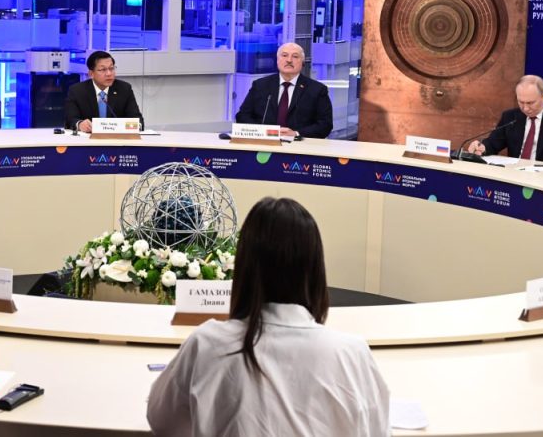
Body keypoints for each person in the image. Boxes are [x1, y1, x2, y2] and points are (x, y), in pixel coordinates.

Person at [147, 197, 389, 437]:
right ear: (315, 270)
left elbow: (163, 422)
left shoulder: (206, 344)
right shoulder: (352, 354)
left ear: (244, 267)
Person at [467, 74, 543, 167]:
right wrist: (482, 147)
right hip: (515, 177)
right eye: (521, 102)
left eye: (530, 103)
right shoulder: (510, 117)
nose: (525, 108)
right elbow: (493, 143)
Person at [234, 42, 333, 138]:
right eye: (284, 55)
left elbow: (325, 125)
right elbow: (242, 116)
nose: (289, 60)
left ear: (302, 63)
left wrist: (296, 133)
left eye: (295, 56)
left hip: (300, 145)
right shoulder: (260, 85)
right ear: (277, 60)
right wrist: (265, 132)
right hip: (265, 142)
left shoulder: (317, 90)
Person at [64, 50, 143, 132]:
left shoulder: (124, 89)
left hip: (117, 138)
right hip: (88, 138)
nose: (109, 73)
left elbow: (138, 120)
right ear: (91, 74)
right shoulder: (77, 91)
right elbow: (70, 119)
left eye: (111, 68)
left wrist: (129, 126)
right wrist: (80, 124)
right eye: (103, 69)